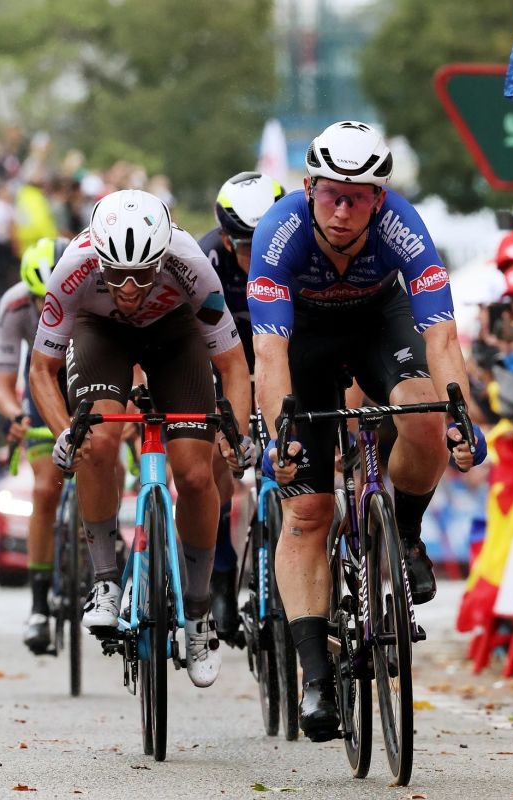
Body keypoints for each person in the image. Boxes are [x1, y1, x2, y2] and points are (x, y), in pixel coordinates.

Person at [248, 121, 487, 740]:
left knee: (425, 417)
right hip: (305, 340)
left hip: (380, 322)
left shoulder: (403, 225)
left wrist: (462, 415)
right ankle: (316, 678)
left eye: (357, 198)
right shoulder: (279, 232)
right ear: (308, 188)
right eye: (331, 194)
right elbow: (269, 356)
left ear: (379, 199)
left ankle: (404, 536)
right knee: (308, 511)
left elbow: (441, 337)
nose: (343, 210)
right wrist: (280, 436)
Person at [27, 189, 255, 687]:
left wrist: (234, 431)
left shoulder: (190, 263)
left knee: (195, 475)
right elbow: (41, 369)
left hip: (175, 336)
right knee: (96, 441)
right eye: (116, 275)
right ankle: (105, 580)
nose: (129, 289)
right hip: (101, 334)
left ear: (162, 258)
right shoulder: (75, 265)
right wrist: (65, 432)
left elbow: (234, 366)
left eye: (143, 274)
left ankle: (198, 611)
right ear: (99, 258)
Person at [197, 171, 284, 639]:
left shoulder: (294, 251)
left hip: (276, 359)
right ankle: (223, 571)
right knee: (217, 457)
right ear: (227, 241)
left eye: (263, 242)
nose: (256, 255)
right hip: (221, 363)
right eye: (246, 247)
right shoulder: (206, 259)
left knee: (285, 457)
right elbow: (193, 346)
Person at [0, 237, 69, 653]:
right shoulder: (14, 304)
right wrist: (15, 416)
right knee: (44, 489)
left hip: (88, 372)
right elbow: (5, 383)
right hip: (42, 380)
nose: (48, 309)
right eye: (41, 301)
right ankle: (39, 604)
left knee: (105, 455)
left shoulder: (91, 291)